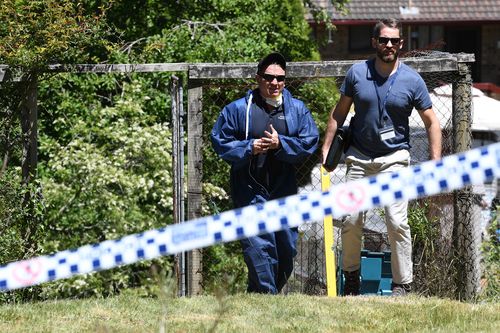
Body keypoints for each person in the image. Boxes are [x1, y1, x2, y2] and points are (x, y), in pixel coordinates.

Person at [321, 18, 442, 296]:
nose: (390, 45)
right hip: (359, 158)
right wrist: (326, 146)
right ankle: (351, 279)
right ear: (374, 42)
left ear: (401, 43)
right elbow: (339, 113)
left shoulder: (412, 79)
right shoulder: (357, 73)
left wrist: (435, 161)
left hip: (395, 158)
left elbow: (432, 122)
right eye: (384, 40)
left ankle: (402, 284)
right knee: (351, 221)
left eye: (395, 41)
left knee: (397, 222)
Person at [211, 52, 319, 294]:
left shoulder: (297, 110)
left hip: (284, 188)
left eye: (280, 78)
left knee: (286, 248)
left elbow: (309, 141)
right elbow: (220, 141)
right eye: (269, 78)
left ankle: (261, 293)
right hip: (249, 188)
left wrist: (281, 144)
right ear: (258, 78)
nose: (275, 83)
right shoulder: (238, 110)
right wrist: (249, 147)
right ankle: (266, 297)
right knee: (259, 247)